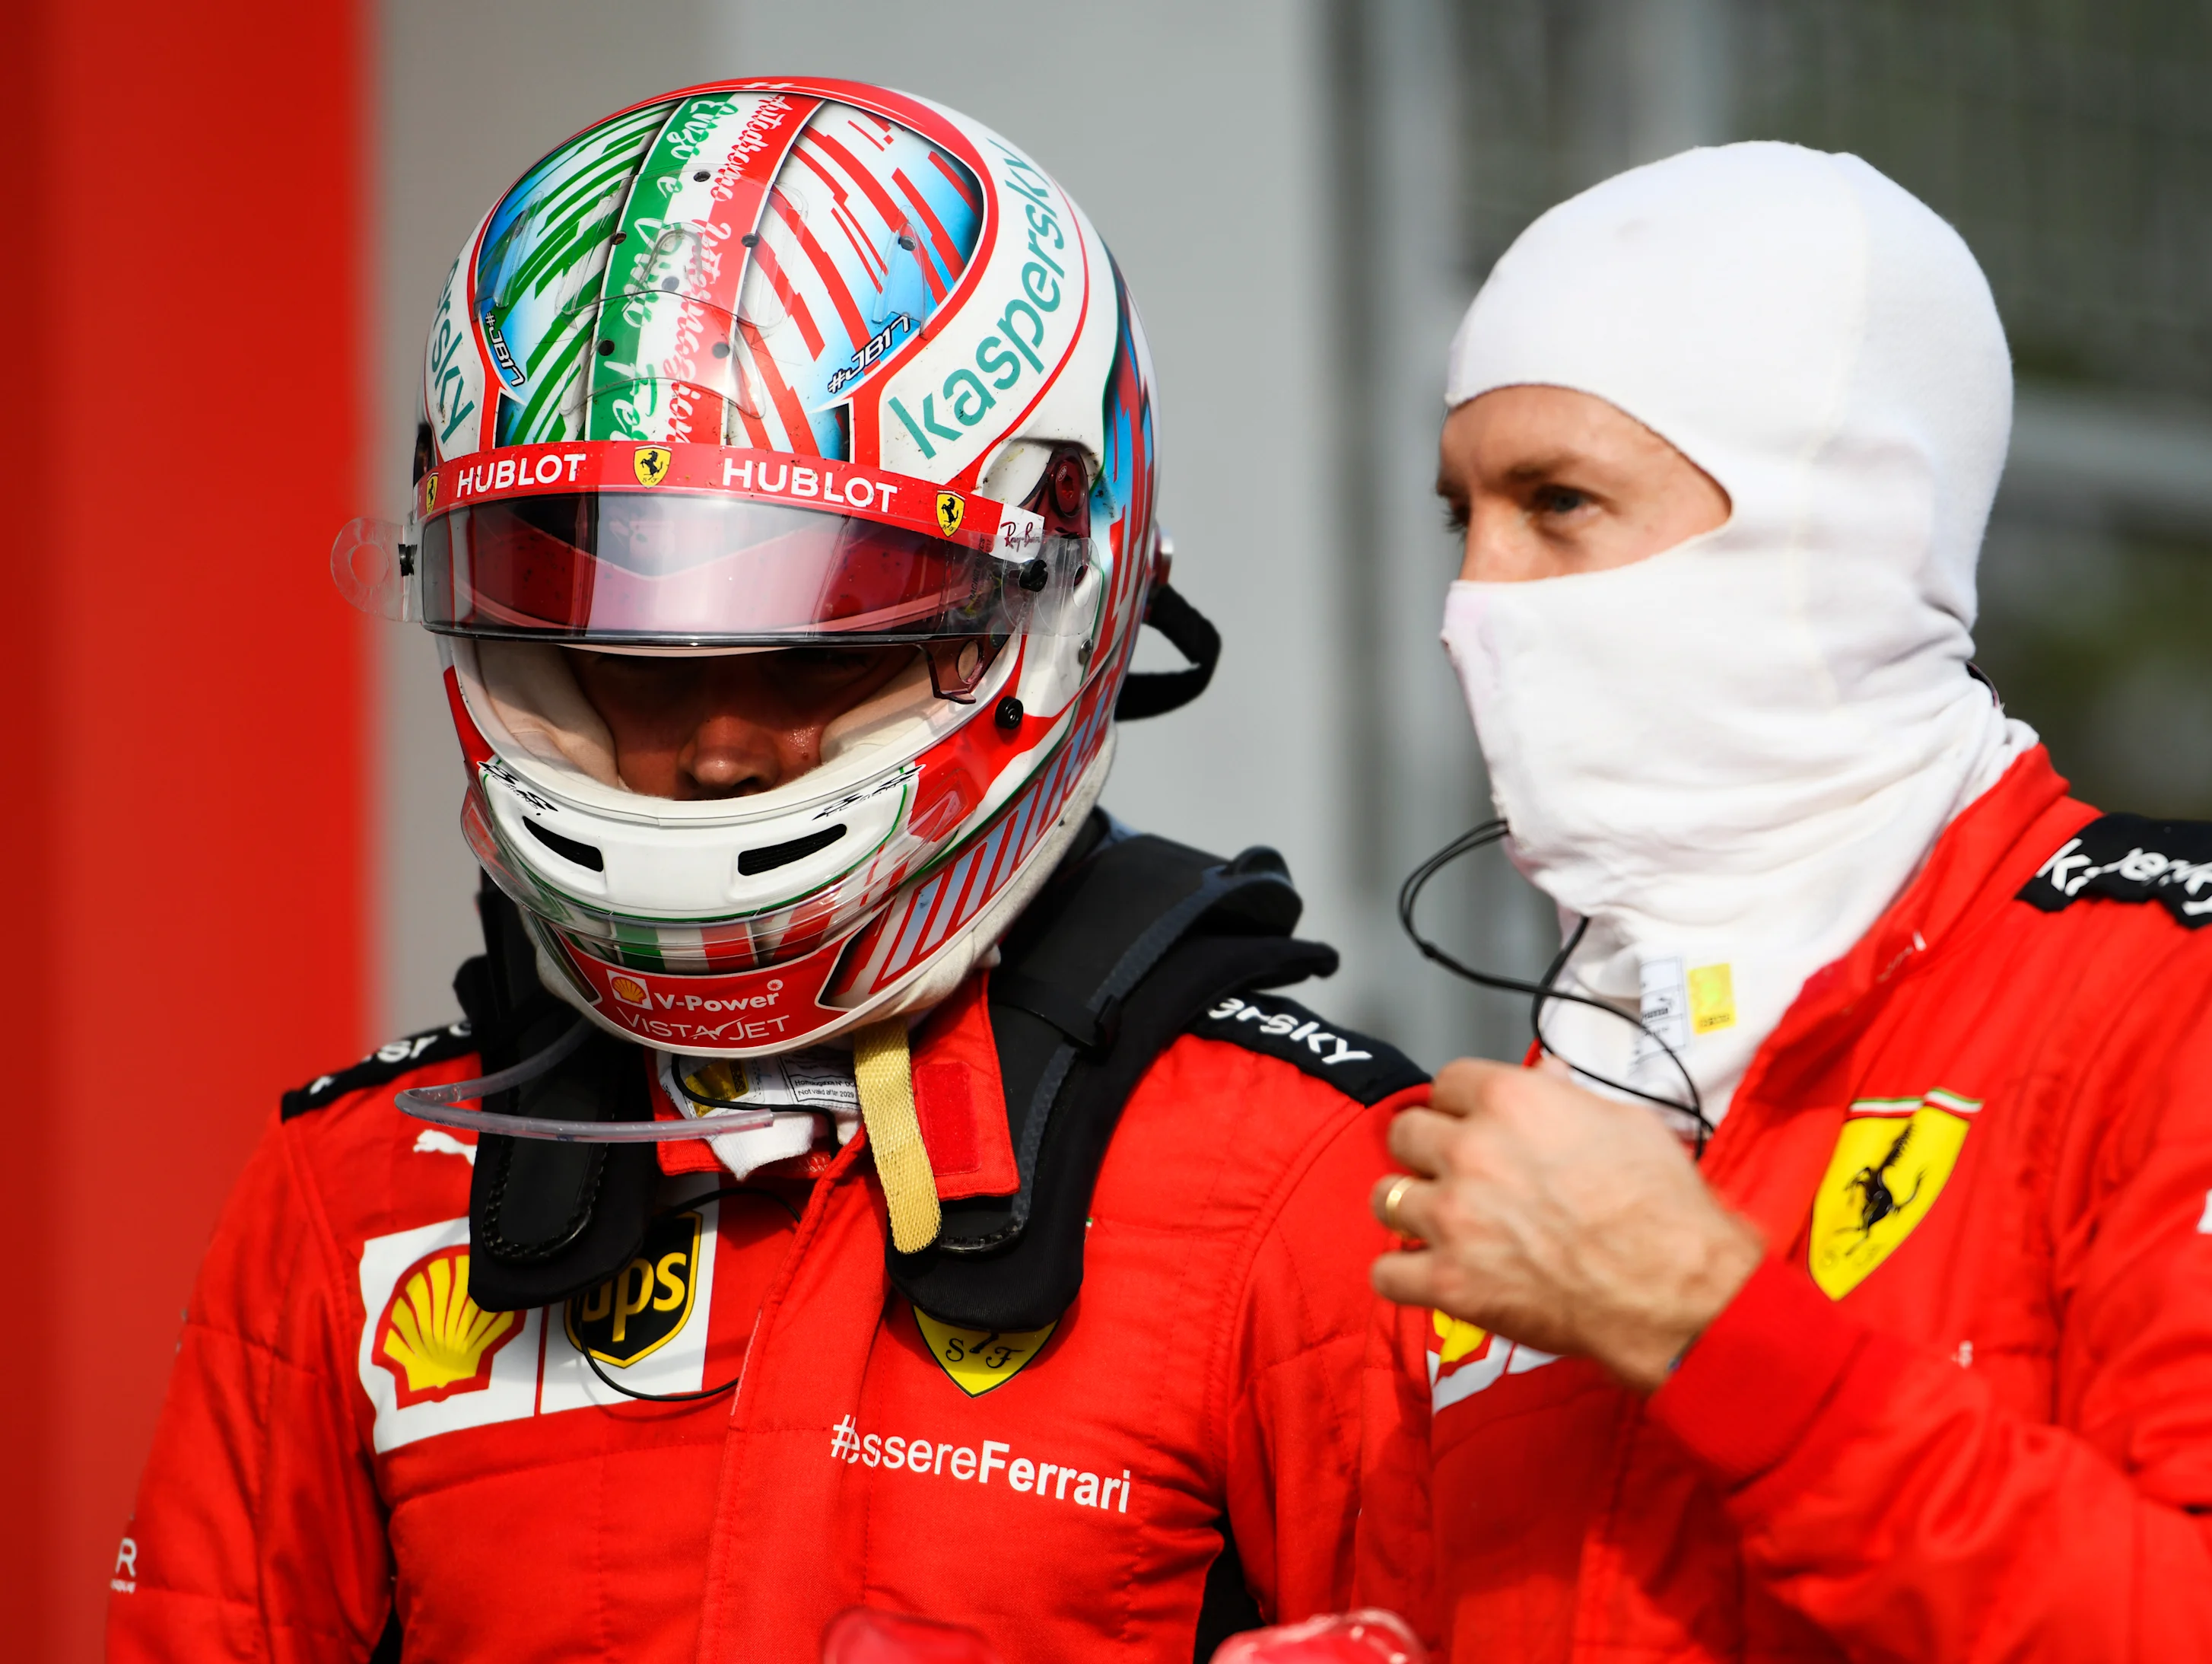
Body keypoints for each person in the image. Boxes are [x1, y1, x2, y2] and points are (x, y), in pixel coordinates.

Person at [106, 78, 1425, 1662]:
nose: (720, 751)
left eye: (815, 650)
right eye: (628, 662)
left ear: (1063, 605)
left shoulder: (1309, 1185)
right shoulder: (355, 1193)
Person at [1364, 141, 2212, 1660]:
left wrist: (1711, 1327)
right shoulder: (1551, 1104)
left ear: (1840, 523)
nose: (1476, 599)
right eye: (1459, 515)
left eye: (1558, 500)